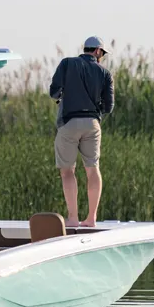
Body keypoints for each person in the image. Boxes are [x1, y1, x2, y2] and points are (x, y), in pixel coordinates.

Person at [49, 36, 114, 228]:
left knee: (67, 171)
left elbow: (53, 91)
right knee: (93, 169)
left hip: (68, 123)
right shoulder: (106, 73)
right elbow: (109, 107)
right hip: (92, 124)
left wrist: (62, 96)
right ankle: (91, 218)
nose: (102, 57)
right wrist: (95, 111)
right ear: (97, 51)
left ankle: (73, 218)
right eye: (102, 53)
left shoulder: (67, 63)